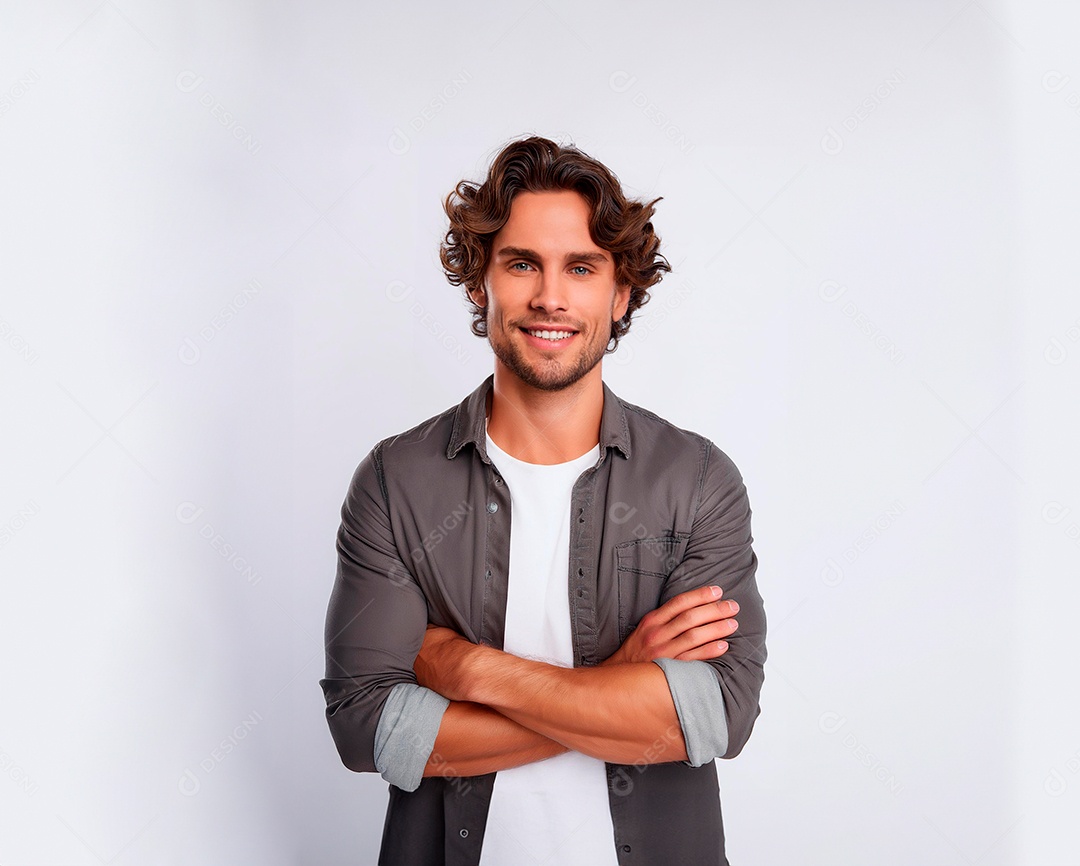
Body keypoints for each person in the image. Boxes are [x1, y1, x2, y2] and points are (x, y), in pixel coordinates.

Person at [320, 135, 767, 866]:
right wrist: (621, 680)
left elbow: (713, 717)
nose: (550, 296)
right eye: (522, 263)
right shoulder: (396, 481)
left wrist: (467, 670)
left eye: (581, 267)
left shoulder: (696, 480)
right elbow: (369, 731)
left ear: (620, 293)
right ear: (479, 283)